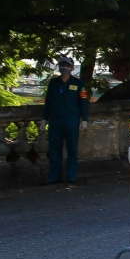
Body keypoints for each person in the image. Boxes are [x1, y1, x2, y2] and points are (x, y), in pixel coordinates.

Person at [41, 57, 90, 185]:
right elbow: (48, 102)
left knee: (72, 148)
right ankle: (54, 177)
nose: (64, 67)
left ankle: (71, 176)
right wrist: (44, 119)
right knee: (54, 149)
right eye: (62, 65)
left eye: (67, 65)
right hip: (55, 120)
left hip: (72, 119)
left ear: (72, 68)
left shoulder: (79, 84)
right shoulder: (53, 83)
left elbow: (84, 102)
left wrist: (84, 119)